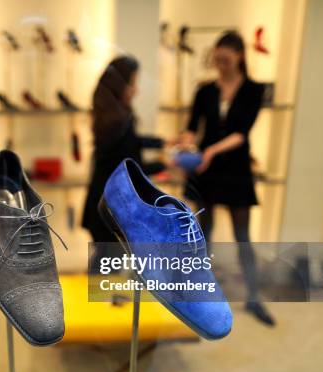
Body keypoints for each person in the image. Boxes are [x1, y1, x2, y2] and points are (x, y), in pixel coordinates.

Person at [180, 31, 274, 326]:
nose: (220, 65)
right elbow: (193, 127)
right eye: (216, 59)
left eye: (225, 59)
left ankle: (254, 296)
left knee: (242, 236)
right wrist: (185, 143)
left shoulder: (254, 90)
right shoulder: (205, 91)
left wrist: (209, 152)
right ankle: (200, 295)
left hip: (235, 169)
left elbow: (241, 133)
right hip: (207, 171)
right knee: (203, 234)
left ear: (240, 57)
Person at [82, 56, 166, 243]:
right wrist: (165, 164)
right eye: (133, 84)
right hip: (111, 205)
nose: (136, 90)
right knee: (109, 264)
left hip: (102, 200)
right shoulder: (118, 121)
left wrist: (164, 143)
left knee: (106, 262)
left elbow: (132, 142)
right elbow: (134, 170)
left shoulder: (111, 116)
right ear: (121, 86)